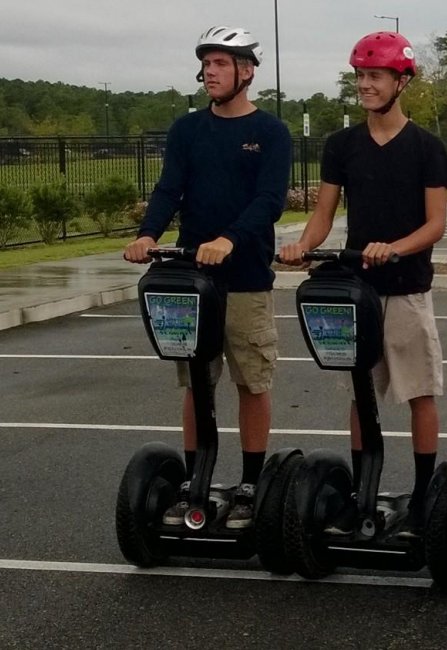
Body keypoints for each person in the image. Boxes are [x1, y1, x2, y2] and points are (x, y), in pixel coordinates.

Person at [278, 31, 447, 536]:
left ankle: (423, 496)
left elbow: (436, 225)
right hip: (358, 291)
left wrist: (395, 247)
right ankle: (363, 493)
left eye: (375, 76)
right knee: (361, 394)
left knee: (420, 392)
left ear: (402, 82)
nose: (364, 85)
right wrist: (302, 245)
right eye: (359, 76)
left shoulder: (426, 148)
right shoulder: (343, 146)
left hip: (406, 288)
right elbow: (323, 214)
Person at [124, 25, 292, 530]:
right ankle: (195, 480)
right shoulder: (187, 130)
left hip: (245, 277)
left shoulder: (270, 132)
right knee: (197, 382)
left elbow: (270, 201)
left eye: (221, 64)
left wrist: (229, 239)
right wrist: (148, 234)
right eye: (206, 64)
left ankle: (250, 483)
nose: (210, 73)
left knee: (250, 381)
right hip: (192, 279)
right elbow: (168, 188)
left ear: (247, 71)